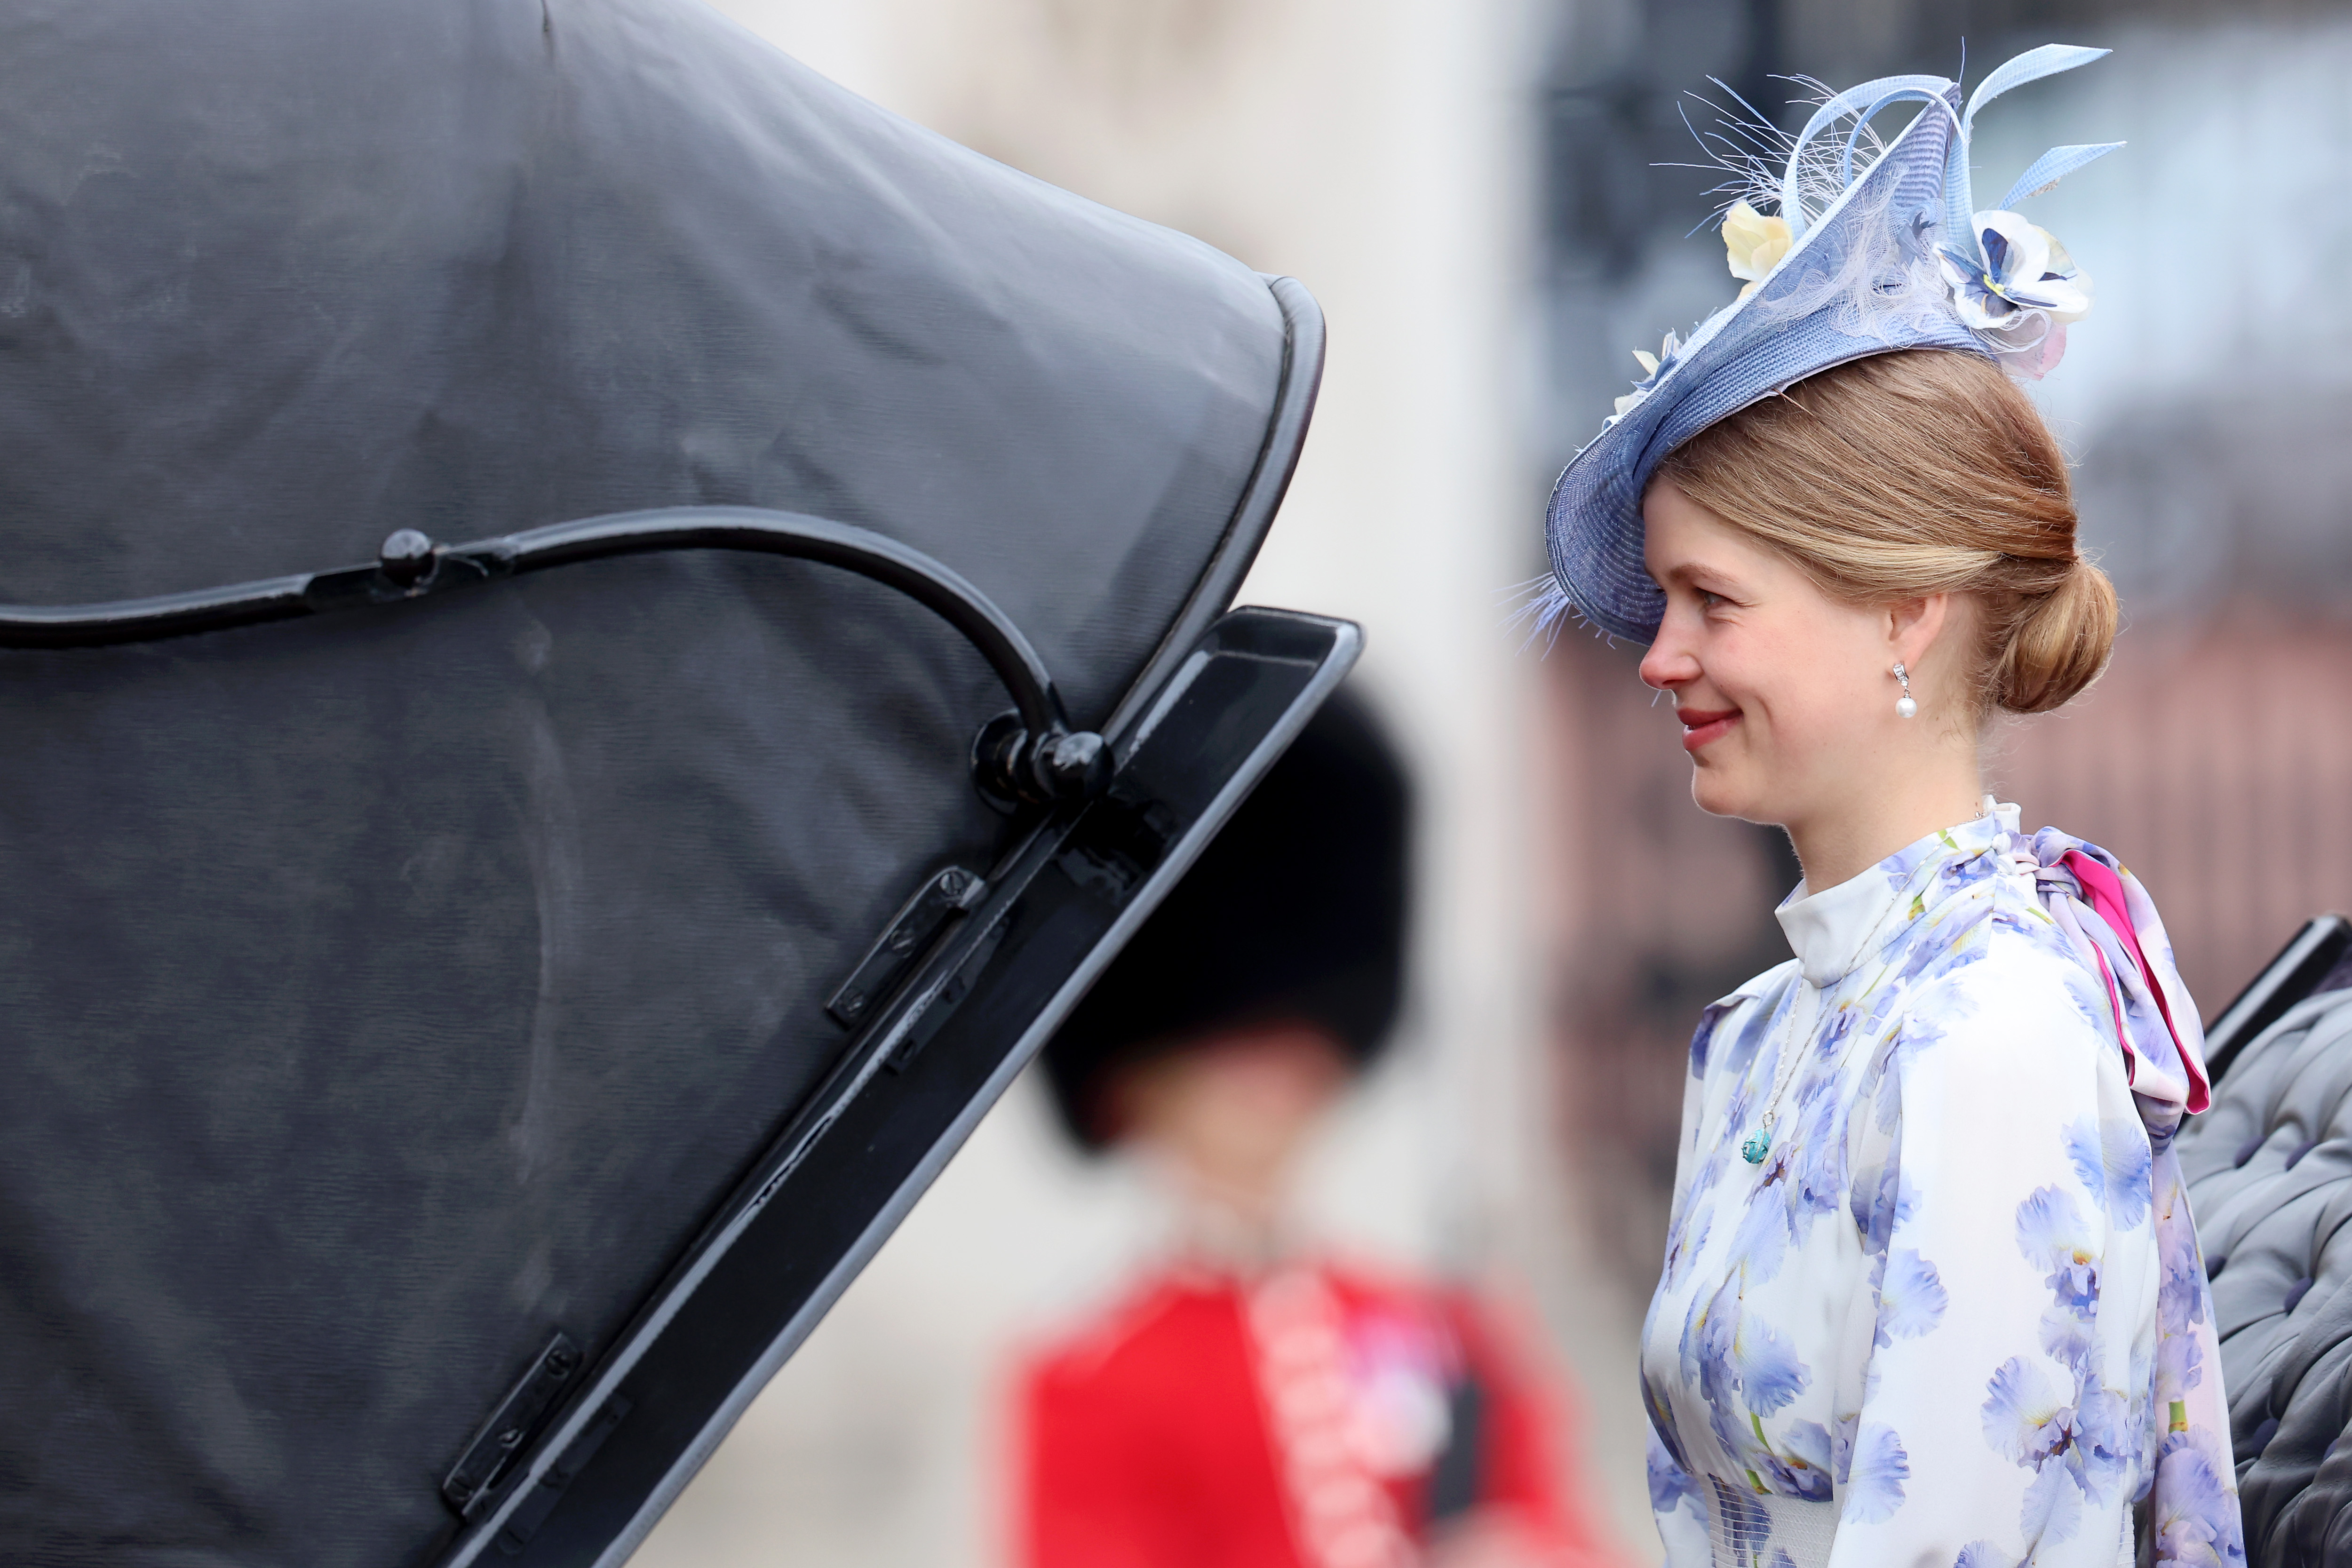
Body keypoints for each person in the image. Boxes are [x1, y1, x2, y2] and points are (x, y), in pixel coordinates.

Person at [1536, 47, 2244, 1568]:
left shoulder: (1987, 1033)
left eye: (1710, 600)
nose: (1660, 657)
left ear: (1906, 612)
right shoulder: (1772, 1028)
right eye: (1660, 600)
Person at [1011, 691, 1629, 1568]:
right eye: (1229, 1048)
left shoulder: (1444, 1329)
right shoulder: (1089, 1378)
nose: (1265, 1078)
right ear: (1137, 1083)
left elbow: (1563, 1528)